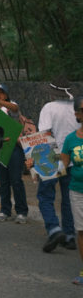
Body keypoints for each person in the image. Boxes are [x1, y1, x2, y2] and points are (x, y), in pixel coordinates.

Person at [31, 78, 77, 253]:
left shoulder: (49, 108)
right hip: (73, 157)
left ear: (52, 92)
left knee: (45, 196)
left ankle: (54, 229)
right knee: (69, 198)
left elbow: (44, 133)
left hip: (51, 156)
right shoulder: (76, 108)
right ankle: (70, 235)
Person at [0, 83, 29, 224]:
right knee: (3, 181)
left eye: (2, 92)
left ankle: (21, 211)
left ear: (7, 95)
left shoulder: (10, 105)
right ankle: (5, 210)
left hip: (14, 148)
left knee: (16, 180)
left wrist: (0, 102)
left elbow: (15, 108)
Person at [61, 95, 83, 285]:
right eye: (82, 110)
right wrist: (36, 165)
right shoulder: (70, 140)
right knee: (82, 232)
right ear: (77, 114)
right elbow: (62, 166)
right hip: (77, 191)